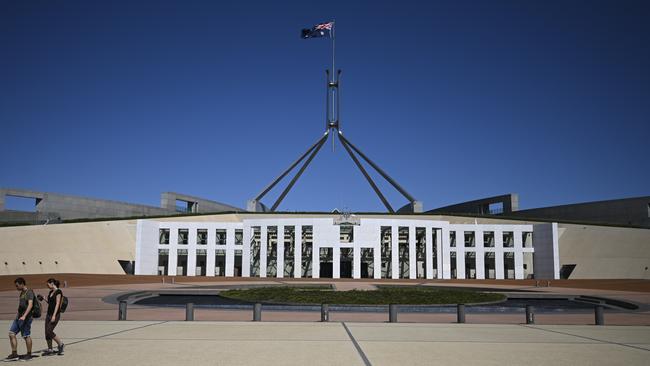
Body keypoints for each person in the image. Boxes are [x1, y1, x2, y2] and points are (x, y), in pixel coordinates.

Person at [6, 277, 34, 361]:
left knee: (26, 335)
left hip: (26, 318)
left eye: (17, 286)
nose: (16, 287)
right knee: (11, 333)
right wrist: (18, 315)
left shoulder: (29, 292)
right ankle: (14, 354)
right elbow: (21, 306)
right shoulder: (22, 293)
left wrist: (24, 316)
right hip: (19, 317)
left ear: (22, 284)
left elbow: (30, 305)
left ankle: (29, 354)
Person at [41, 278, 65, 356]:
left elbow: (57, 304)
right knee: (46, 333)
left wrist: (54, 315)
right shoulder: (51, 292)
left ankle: (60, 344)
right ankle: (50, 349)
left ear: (52, 283)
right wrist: (44, 299)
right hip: (48, 314)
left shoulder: (58, 292)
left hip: (55, 314)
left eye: (48, 284)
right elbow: (51, 303)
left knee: (49, 331)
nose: (47, 286)